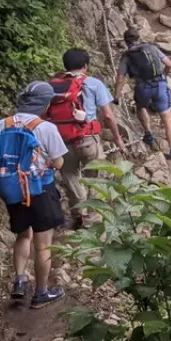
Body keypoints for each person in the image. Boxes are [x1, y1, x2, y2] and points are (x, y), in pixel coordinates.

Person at [0, 81, 68, 309]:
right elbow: (59, 161)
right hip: (39, 189)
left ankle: (20, 280)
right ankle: (41, 293)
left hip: (12, 188)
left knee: (23, 236)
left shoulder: (3, 124)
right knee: (43, 245)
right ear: (44, 103)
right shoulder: (45, 127)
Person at [47, 48, 126, 230]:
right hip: (88, 139)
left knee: (71, 177)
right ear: (85, 66)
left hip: (62, 141)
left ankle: (79, 216)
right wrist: (117, 138)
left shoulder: (54, 86)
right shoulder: (93, 83)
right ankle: (92, 219)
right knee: (96, 177)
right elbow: (107, 116)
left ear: (65, 65)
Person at [115, 28, 171, 162]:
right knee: (168, 119)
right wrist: (164, 75)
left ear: (125, 41)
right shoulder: (152, 48)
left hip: (142, 87)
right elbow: (169, 64)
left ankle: (148, 133)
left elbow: (121, 78)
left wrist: (116, 96)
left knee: (141, 108)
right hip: (160, 85)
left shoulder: (127, 56)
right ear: (138, 38)